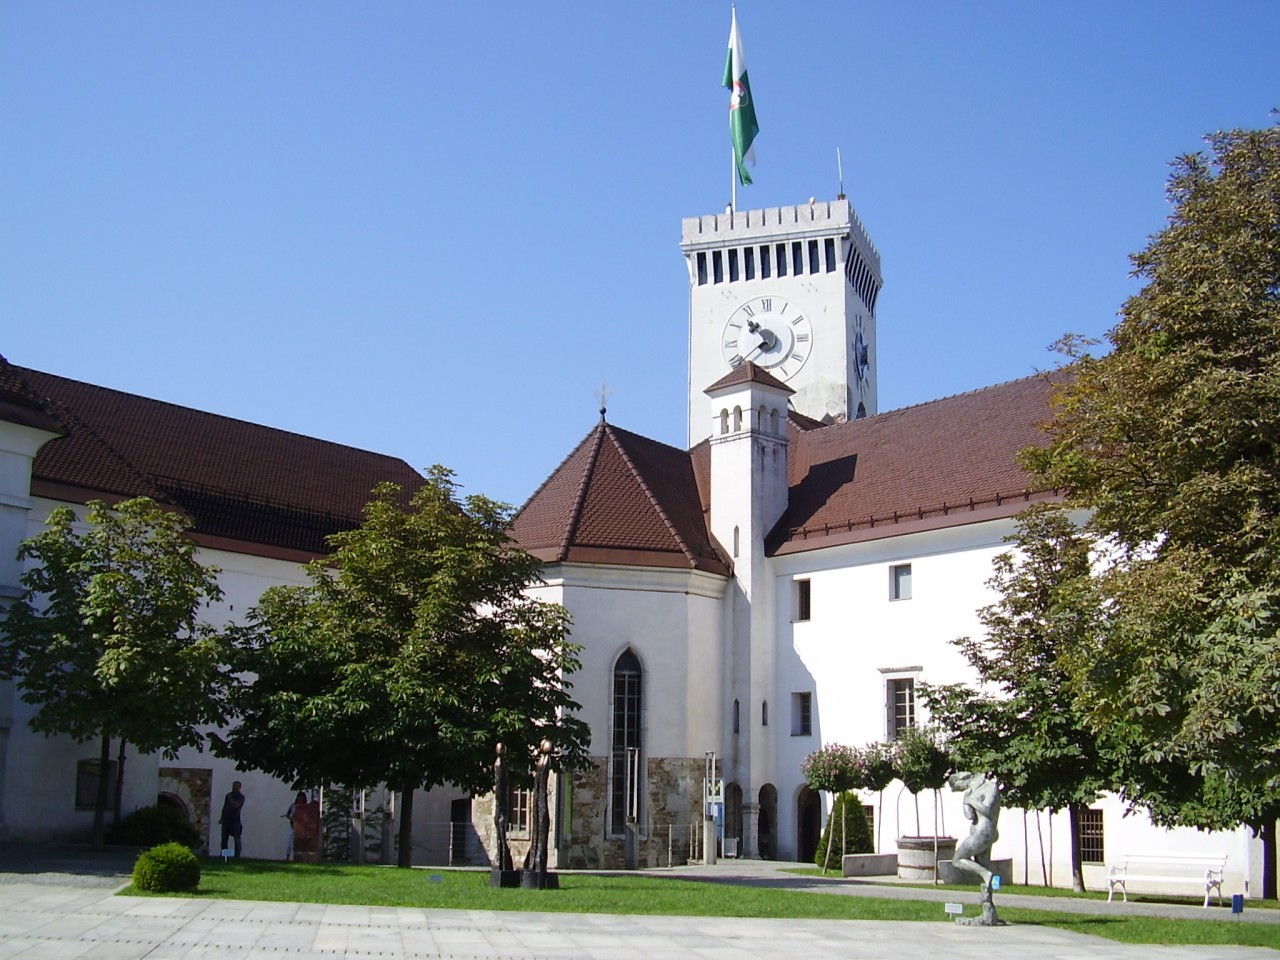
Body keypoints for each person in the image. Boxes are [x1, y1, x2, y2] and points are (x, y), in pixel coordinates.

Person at [219, 780, 246, 857]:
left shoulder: (241, 797)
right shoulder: (228, 795)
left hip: (235, 821)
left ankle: (236, 856)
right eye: (233, 786)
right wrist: (222, 817)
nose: (234, 788)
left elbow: (236, 805)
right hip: (226, 820)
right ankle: (225, 855)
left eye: (236, 786)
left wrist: (230, 798)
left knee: (236, 839)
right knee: (224, 840)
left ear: (239, 787)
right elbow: (225, 807)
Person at [285, 790, 307, 861]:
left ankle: (300, 857)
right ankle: (288, 856)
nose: (300, 799)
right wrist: (292, 818)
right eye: (299, 797)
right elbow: (287, 814)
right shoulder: (293, 806)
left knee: (301, 843)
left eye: (301, 797)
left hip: (301, 827)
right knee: (289, 842)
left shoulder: (305, 807)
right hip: (293, 826)